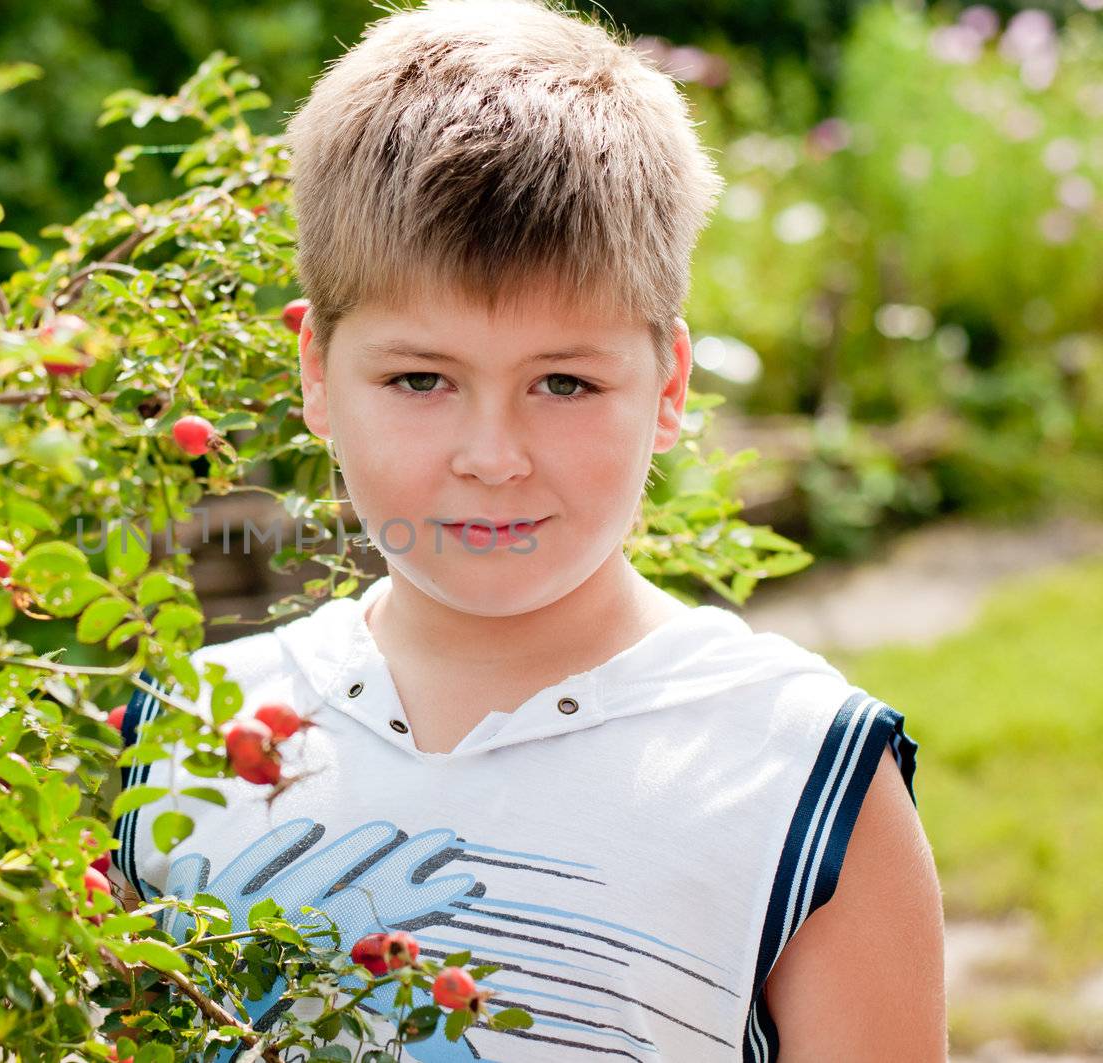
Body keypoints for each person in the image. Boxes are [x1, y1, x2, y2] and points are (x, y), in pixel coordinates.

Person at [105, 0, 947, 1059]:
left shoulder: (798, 771)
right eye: (420, 378)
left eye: (563, 380)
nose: (492, 454)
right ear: (316, 373)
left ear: (668, 383)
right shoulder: (184, 734)